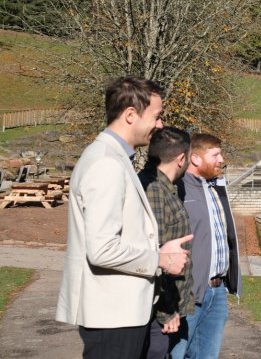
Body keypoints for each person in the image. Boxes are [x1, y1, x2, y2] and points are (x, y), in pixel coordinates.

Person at [56, 76, 192, 359]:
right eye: (156, 116)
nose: (160, 125)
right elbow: (102, 249)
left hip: (120, 312)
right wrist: (160, 259)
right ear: (131, 115)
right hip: (112, 315)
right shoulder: (106, 163)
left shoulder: (116, 159)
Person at [173, 133, 241, 359]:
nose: (221, 159)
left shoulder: (216, 189)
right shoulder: (178, 190)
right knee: (176, 354)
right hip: (189, 292)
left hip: (218, 291)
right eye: (215, 155)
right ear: (195, 159)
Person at [138, 127, 196, 359]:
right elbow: (157, 254)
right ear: (181, 158)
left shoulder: (167, 188)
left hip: (168, 309)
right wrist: (167, 311)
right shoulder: (153, 190)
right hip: (158, 315)